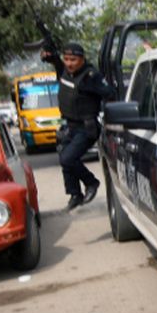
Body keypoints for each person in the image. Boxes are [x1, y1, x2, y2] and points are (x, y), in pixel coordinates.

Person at [41, 42, 115, 211]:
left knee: (68, 158)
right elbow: (56, 62)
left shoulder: (91, 76)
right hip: (69, 125)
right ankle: (75, 194)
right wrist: (49, 56)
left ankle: (91, 183)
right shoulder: (65, 72)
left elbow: (110, 93)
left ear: (82, 59)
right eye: (66, 59)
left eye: (73, 59)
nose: (69, 63)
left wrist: (91, 89)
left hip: (86, 127)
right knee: (64, 159)